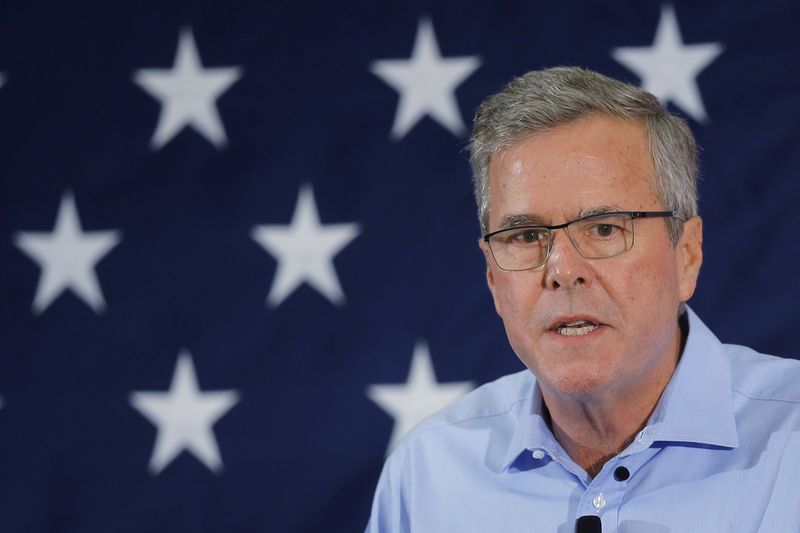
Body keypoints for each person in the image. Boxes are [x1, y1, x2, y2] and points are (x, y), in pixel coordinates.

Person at [365, 67, 800, 532]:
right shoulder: (427, 473)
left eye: (605, 229)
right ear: (493, 276)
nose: (563, 271)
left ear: (687, 255)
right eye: (526, 235)